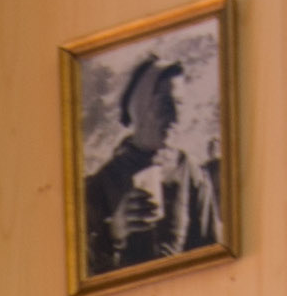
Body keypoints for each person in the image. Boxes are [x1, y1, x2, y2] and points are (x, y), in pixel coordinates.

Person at [84, 51, 219, 280]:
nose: (176, 117)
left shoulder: (190, 172)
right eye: (166, 104)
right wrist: (114, 233)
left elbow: (215, 257)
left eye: (180, 104)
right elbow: (81, 278)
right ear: (141, 107)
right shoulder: (100, 185)